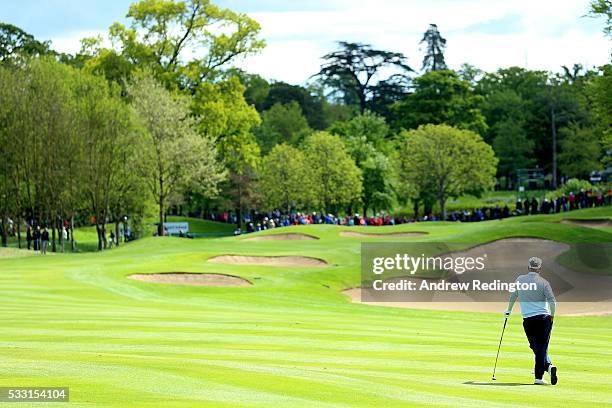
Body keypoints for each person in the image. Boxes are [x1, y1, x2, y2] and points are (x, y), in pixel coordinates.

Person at [505, 257, 557, 385]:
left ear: (528, 267)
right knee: (540, 347)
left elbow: (513, 296)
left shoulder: (520, 280)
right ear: (540, 269)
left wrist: (508, 310)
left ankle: (540, 376)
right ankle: (547, 368)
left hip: (528, 320)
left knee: (537, 347)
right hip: (544, 318)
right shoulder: (544, 282)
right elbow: (552, 301)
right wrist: (552, 315)